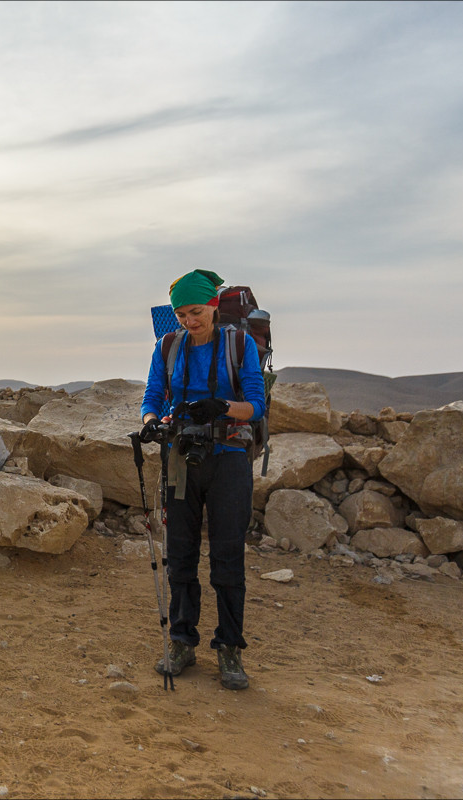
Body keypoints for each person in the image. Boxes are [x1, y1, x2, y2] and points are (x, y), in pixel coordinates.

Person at [140, 269, 266, 690]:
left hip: (228, 455)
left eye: (196, 312)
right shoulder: (168, 346)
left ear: (213, 306)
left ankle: (229, 647)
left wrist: (221, 407)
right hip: (181, 456)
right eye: (181, 314)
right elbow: (153, 396)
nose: (189, 321)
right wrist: (151, 422)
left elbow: (255, 406)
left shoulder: (239, 344)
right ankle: (181, 640)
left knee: (227, 555)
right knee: (180, 552)